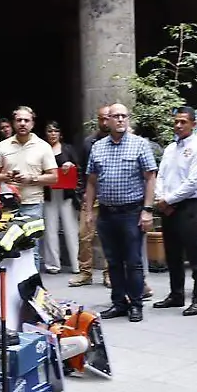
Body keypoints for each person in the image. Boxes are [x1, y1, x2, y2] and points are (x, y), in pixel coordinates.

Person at [84, 102, 156, 321]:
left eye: (124, 116)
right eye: (116, 116)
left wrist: (147, 210)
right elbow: (91, 181)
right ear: (108, 121)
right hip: (106, 213)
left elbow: (150, 177)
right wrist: (89, 211)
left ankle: (135, 304)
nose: (121, 120)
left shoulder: (139, 145)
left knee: (132, 261)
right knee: (113, 261)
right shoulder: (98, 147)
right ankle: (118, 303)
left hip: (131, 213)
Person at [152, 108, 197, 316]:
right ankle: (176, 294)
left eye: (183, 122)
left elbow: (193, 182)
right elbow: (160, 175)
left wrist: (168, 199)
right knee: (172, 253)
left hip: (189, 206)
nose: (179, 125)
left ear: (193, 124)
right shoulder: (171, 148)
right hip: (167, 206)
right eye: (176, 122)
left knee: (195, 253)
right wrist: (161, 198)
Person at [0, 105, 58, 226]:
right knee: (8, 243)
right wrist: (6, 177)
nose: (22, 123)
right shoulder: (3, 145)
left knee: (32, 244)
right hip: (7, 204)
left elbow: (54, 178)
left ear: (32, 124)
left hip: (33, 203)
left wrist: (31, 178)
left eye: (26, 120)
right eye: (19, 120)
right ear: (13, 123)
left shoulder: (43, 146)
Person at [71, 105, 112, 287]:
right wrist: (81, 194)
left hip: (111, 196)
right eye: (101, 118)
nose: (104, 122)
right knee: (84, 235)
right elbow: (81, 170)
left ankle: (109, 273)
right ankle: (85, 272)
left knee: (109, 237)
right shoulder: (89, 142)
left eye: (107, 118)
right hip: (91, 195)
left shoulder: (118, 140)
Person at [41, 122, 81, 272]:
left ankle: (77, 264)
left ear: (60, 134)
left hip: (66, 193)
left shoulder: (68, 149)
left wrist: (70, 165)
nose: (52, 134)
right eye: (49, 131)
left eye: (55, 131)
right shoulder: (42, 150)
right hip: (49, 192)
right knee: (50, 229)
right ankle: (52, 265)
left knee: (71, 229)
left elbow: (79, 168)